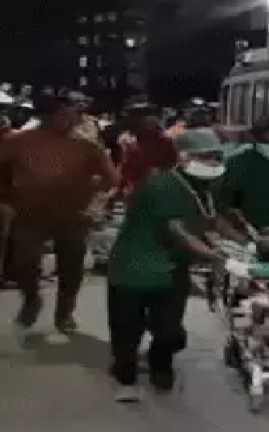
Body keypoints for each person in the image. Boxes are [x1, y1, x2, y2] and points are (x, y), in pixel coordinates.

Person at [105, 128, 235, 402]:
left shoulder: (202, 186)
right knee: (127, 329)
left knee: (169, 331)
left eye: (216, 156)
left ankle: (160, 365)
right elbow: (177, 231)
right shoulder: (161, 185)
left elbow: (212, 217)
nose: (212, 162)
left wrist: (245, 243)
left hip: (173, 268)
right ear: (184, 157)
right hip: (135, 267)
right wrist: (215, 257)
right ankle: (126, 377)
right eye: (205, 156)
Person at [0, 95, 119, 345]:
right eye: (66, 113)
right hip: (31, 213)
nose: (74, 118)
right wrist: (8, 195)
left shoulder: (87, 145)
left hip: (73, 215)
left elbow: (111, 179)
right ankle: (31, 299)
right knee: (23, 263)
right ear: (47, 115)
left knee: (71, 267)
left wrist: (93, 198)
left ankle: (64, 312)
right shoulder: (19, 140)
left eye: (73, 113)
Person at [118, 103, 179, 197]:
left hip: (158, 188)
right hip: (137, 190)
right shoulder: (127, 140)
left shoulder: (165, 140)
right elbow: (125, 168)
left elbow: (172, 163)